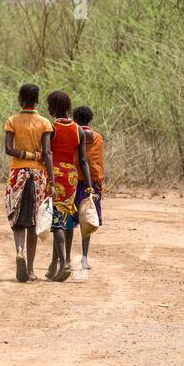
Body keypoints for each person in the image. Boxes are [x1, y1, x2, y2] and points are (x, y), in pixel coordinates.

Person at [4, 83, 54, 283]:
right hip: (39, 175)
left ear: (20, 99)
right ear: (37, 100)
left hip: (17, 174)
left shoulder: (12, 121)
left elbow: (8, 149)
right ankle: (31, 270)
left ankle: (19, 253)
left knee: (17, 216)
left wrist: (24, 154)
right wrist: (51, 179)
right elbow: (48, 153)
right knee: (34, 220)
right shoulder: (44, 123)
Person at [45, 90, 92, 282]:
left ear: (54, 107)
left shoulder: (51, 128)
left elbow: (47, 153)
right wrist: (88, 186)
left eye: (49, 105)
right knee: (67, 219)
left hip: (55, 174)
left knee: (56, 221)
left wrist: (50, 179)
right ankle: (59, 263)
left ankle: (64, 262)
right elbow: (83, 160)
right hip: (71, 176)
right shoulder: (78, 129)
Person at [73, 104, 104, 270]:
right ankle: (84, 258)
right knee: (88, 220)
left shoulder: (75, 136)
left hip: (76, 180)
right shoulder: (98, 137)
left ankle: (63, 259)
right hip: (93, 182)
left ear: (75, 119)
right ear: (90, 119)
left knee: (69, 221)